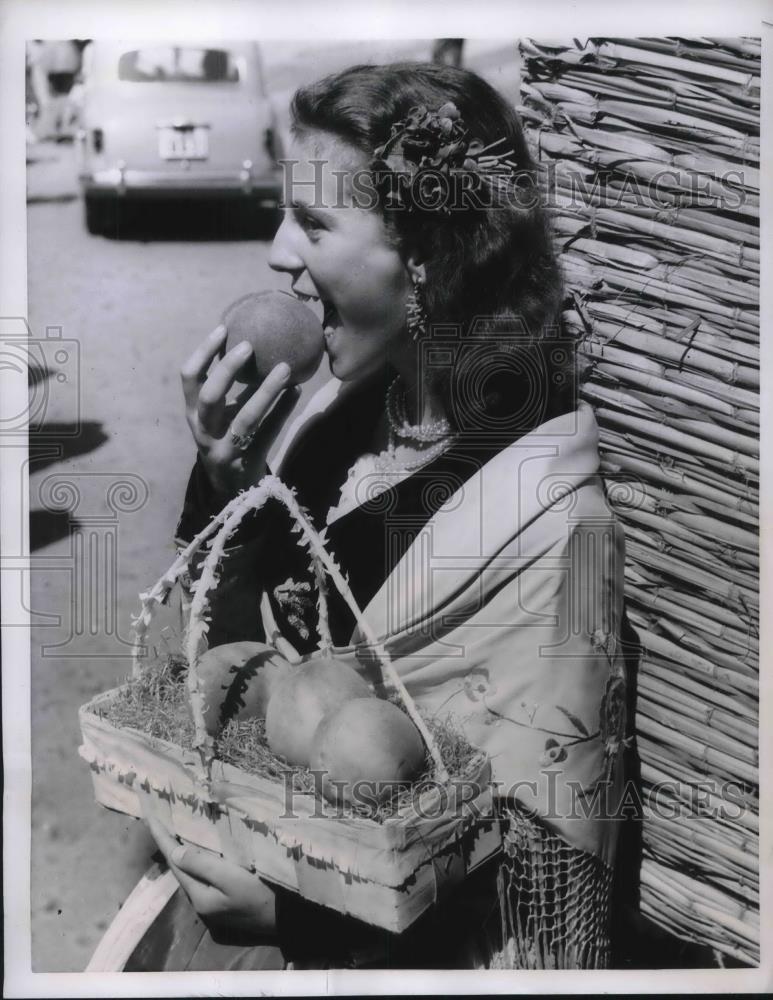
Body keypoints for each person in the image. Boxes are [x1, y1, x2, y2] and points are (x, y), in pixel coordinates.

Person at [124, 61, 631, 971]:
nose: (279, 252)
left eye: (314, 222)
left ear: (428, 255)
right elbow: (228, 668)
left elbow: (543, 878)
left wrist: (307, 919)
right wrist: (222, 473)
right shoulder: (334, 417)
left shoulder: (554, 523)